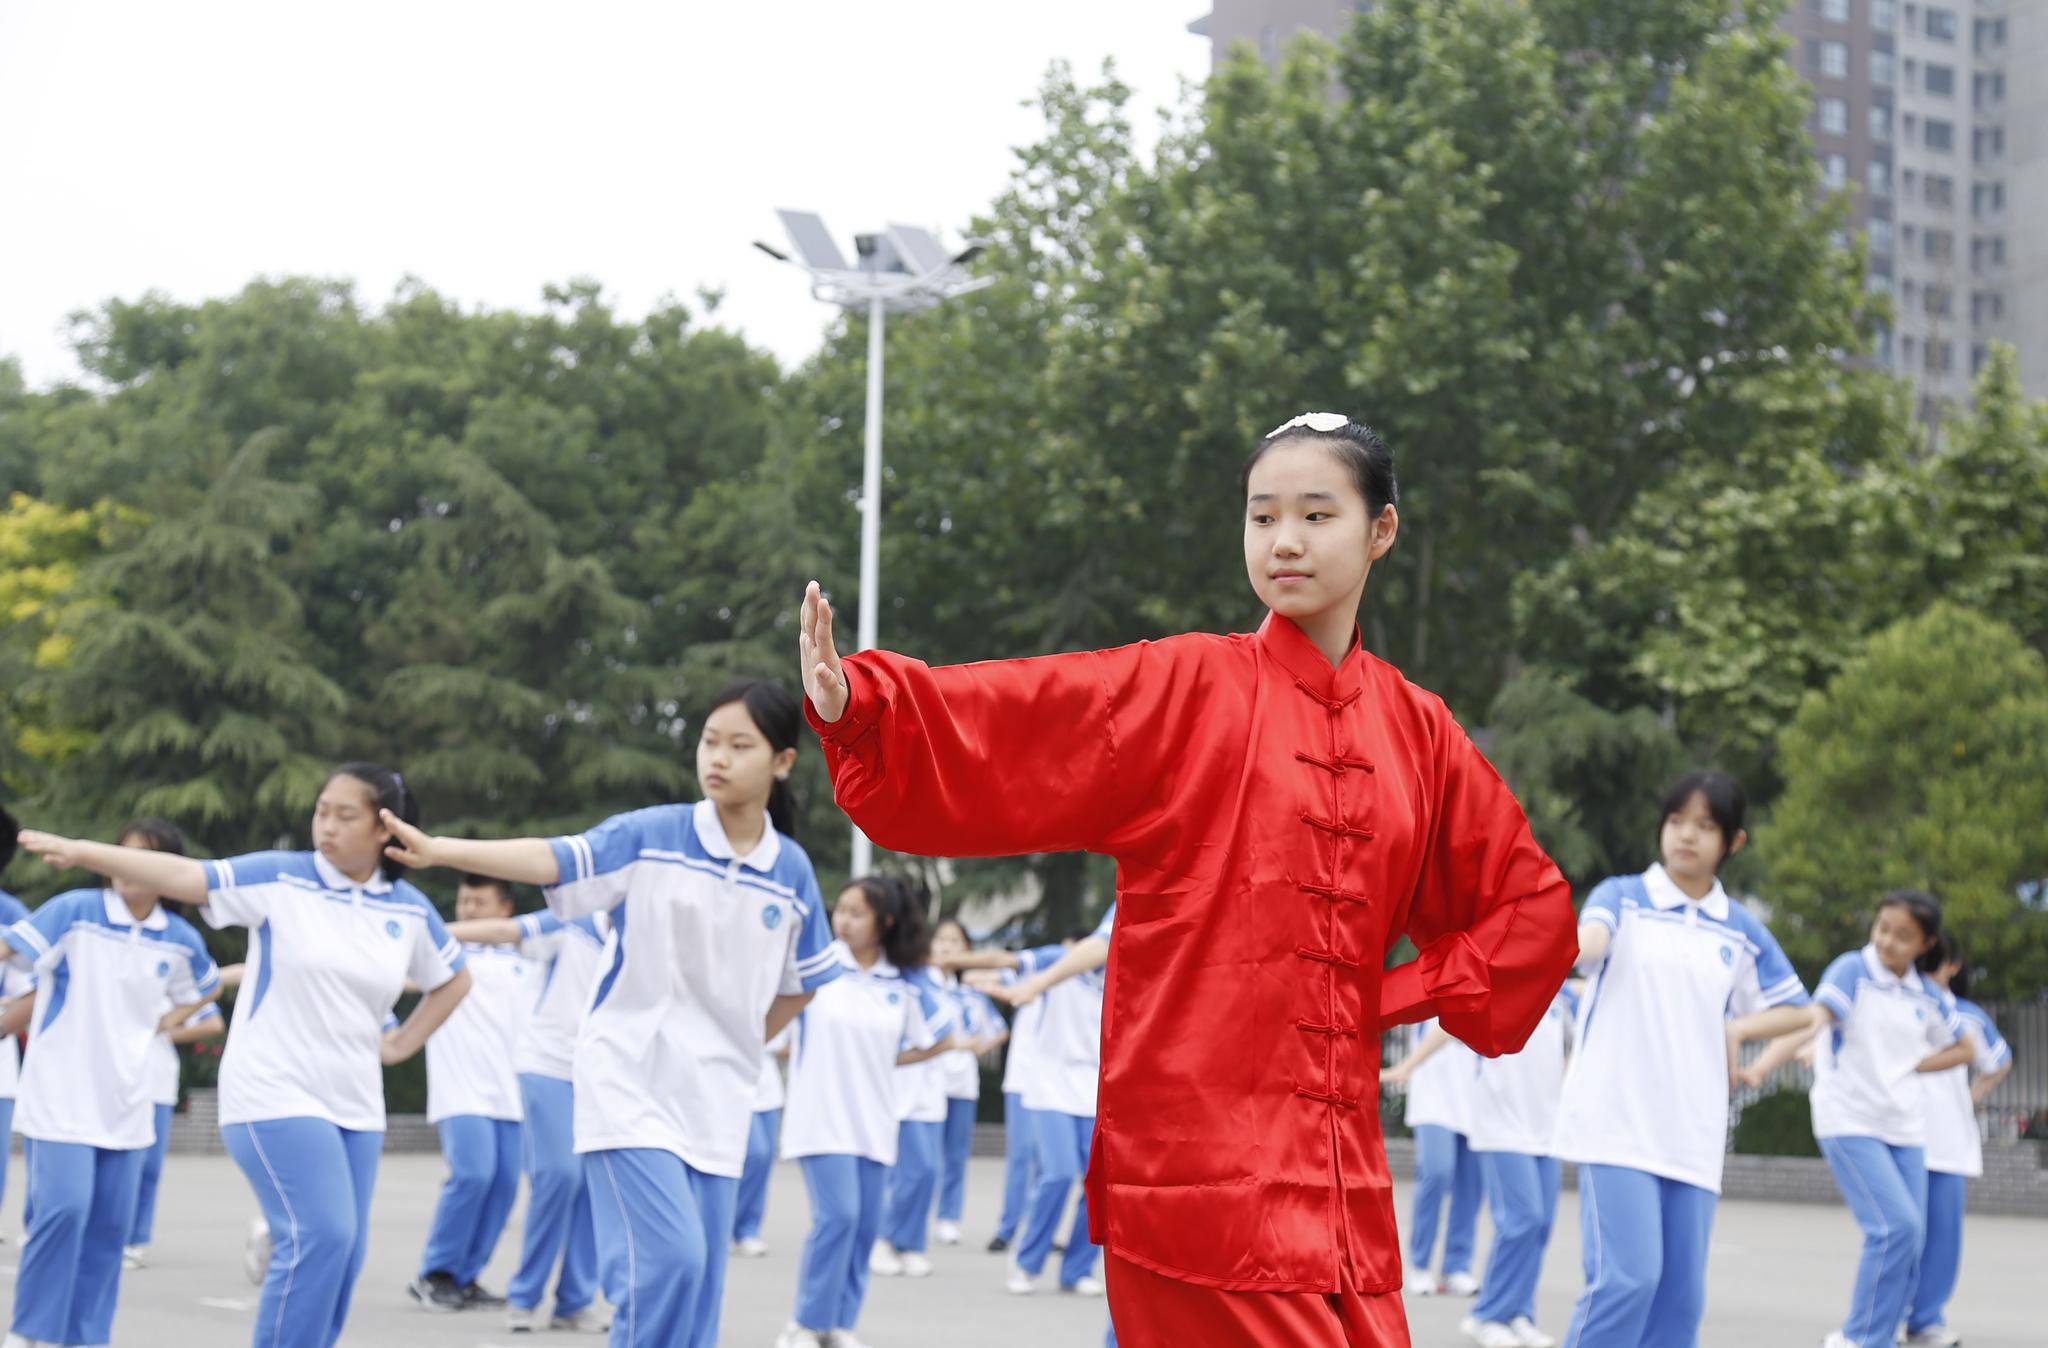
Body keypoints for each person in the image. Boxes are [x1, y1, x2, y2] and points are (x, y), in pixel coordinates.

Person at [798, 412, 1578, 1345]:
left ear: (1382, 531)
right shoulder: (1185, 687)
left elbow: (1531, 911)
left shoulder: (1422, 733)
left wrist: (1384, 996)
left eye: (1316, 514)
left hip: (1347, 1201)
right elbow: (1023, 718)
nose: (1283, 540)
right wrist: (868, 708)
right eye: (1261, 517)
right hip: (1196, 1181)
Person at [377, 680, 842, 1348]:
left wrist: (741, 1040)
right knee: (671, 1261)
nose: (718, 757)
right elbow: (554, 857)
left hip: (717, 1098)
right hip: (630, 1084)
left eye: (741, 746)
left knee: (702, 1289)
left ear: (782, 763)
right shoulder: (652, 834)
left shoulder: (791, 871)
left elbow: (805, 982)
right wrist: (443, 849)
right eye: (711, 741)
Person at [15, 764, 472, 1348]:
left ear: (386, 828)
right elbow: (186, 874)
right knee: (321, 1235)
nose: (326, 825)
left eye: (345, 814)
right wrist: (86, 851)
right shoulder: (281, 877)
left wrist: (403, 1043)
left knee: (345, 1254)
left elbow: (454, 978)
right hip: (273, 1090)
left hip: (355, 1102)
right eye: (320, 810)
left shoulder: (407, 908)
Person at [1547, 770, 1812, 1348]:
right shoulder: (1623, 896)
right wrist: (1569, 948)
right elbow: (1591, 940)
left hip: (1691, 1134)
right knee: (1627, 1281)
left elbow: (1800, 1011)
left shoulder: (1741, 930)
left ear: (1732, 842)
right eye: (1675, 821)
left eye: (1704, 825)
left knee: (1679, 1302)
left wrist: (1738, 1028)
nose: (1686, 835)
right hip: (1614, 1125)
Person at [1, 818, 221, 1348]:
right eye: (120, 854)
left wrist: (165, 1024)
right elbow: (9, 951)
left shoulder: (181, 939)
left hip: (128, 1103)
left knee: (107, 1231)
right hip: (59, 1095)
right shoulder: (75, 911)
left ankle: (86, 1337)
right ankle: (33, 1332)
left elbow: (206, 990)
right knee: (64, 1209)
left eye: (141, 857)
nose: (125, 868)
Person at [1745, 890, 1972, 1348]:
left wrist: (1912, 1067)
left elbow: (1965, 1047)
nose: (1887, 942)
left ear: (1926, 944)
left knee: (1912, 1238)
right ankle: (1860, 1337)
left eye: (1903, 936)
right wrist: (1760, 1064)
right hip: (1850, 1120)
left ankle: (1879, 1334)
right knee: (1895, 1227)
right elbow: (1814, 1020)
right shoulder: (1853, 970)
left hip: (1905, 1127)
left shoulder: (1925, 994)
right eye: (1883, 928)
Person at [775, 875, 956, 1348]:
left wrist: (883, 1060)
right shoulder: (817, 964)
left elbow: (942, 1038)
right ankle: (804, 1324)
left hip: (874, 1121)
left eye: (858, 913)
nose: (844, 920)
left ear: (885, 922)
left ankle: (839, 1325)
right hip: (819, 1118)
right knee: (838, 1217)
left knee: (863, 1228)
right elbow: (774, 1032)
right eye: (842, 910)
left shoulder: (904, 980)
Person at [444, 900, 613, 1334]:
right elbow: (507, 931)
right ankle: (525, 1295)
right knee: (559, 1176)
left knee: (592, 1186)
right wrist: (434, 928)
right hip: (549, 1064)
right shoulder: (571, 921)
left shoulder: (645, 936)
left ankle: (574, 1301)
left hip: (606, 1076)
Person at [1389, 985, 1574, 1348]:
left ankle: (1519, 1313)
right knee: (1523, 1219)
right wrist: (1408, 1066)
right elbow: (1449, 1025)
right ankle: (1487, 1314)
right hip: (1502, 1126)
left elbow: (1566, 1054)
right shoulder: (1500, 986)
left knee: (1540, 1228)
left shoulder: (1560, 998)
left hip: (1544, 1130)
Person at [409, 874, 536, 1312]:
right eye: (463, 901)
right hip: (461, 1087)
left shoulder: (529, 954)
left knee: (503, 1186)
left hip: (511, 1091)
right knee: (474, 1175)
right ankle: (435, 1273)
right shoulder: (445, 950)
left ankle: (465, 1276)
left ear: (504, 909)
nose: (466, 910)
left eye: (478, 903)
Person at [1901, 933, 2011, 1348]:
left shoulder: (1968, 1016)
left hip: (1947, 1141)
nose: (1927, 972)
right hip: (1900, 1135)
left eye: (1935, 963)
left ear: (1953, 965)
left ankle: (1926, 1320)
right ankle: (1886, 1317)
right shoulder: (1899, 1004)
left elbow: (1999, 1060)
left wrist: (1970, 1098)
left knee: (1942, 1237)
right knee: (1901, 1235)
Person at [125, 931, 226, 1270]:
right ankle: (106, 1233)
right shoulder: (116, 975)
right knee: (118, 1162)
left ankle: (136, 1240)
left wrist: (167, 1029)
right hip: (117, 1082)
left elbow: (213, 1021)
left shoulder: (173, 982)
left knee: (148, 1166)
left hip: (157, 1082)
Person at [1381, 1018, 1484, 1299]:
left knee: (1471, 1186)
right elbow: (1446, 1025)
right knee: (1437, 1173)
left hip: (1474, 1100)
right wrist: (1406, 1068)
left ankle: (1456, 1267)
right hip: (1434, 1101)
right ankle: (1420, 1263)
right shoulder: (1432, 980)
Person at [928, 919, 1006, 1248]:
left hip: (962, 1083)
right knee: (923, 1155)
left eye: (955, 941)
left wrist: (978, 1047)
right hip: (926, 1081)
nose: (947, 947)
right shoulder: (922, 985)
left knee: (956, 1155)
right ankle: (912, 1215)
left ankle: (948, 1218)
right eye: (942, 940)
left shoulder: (972, 993)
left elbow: (999, 1029)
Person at [735, 1023, 794, 1260]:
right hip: (735, 1079)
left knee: (764, 1158)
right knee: (755, 1153)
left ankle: (747, 1229)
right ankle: (730, 1224)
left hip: (768, 1086)